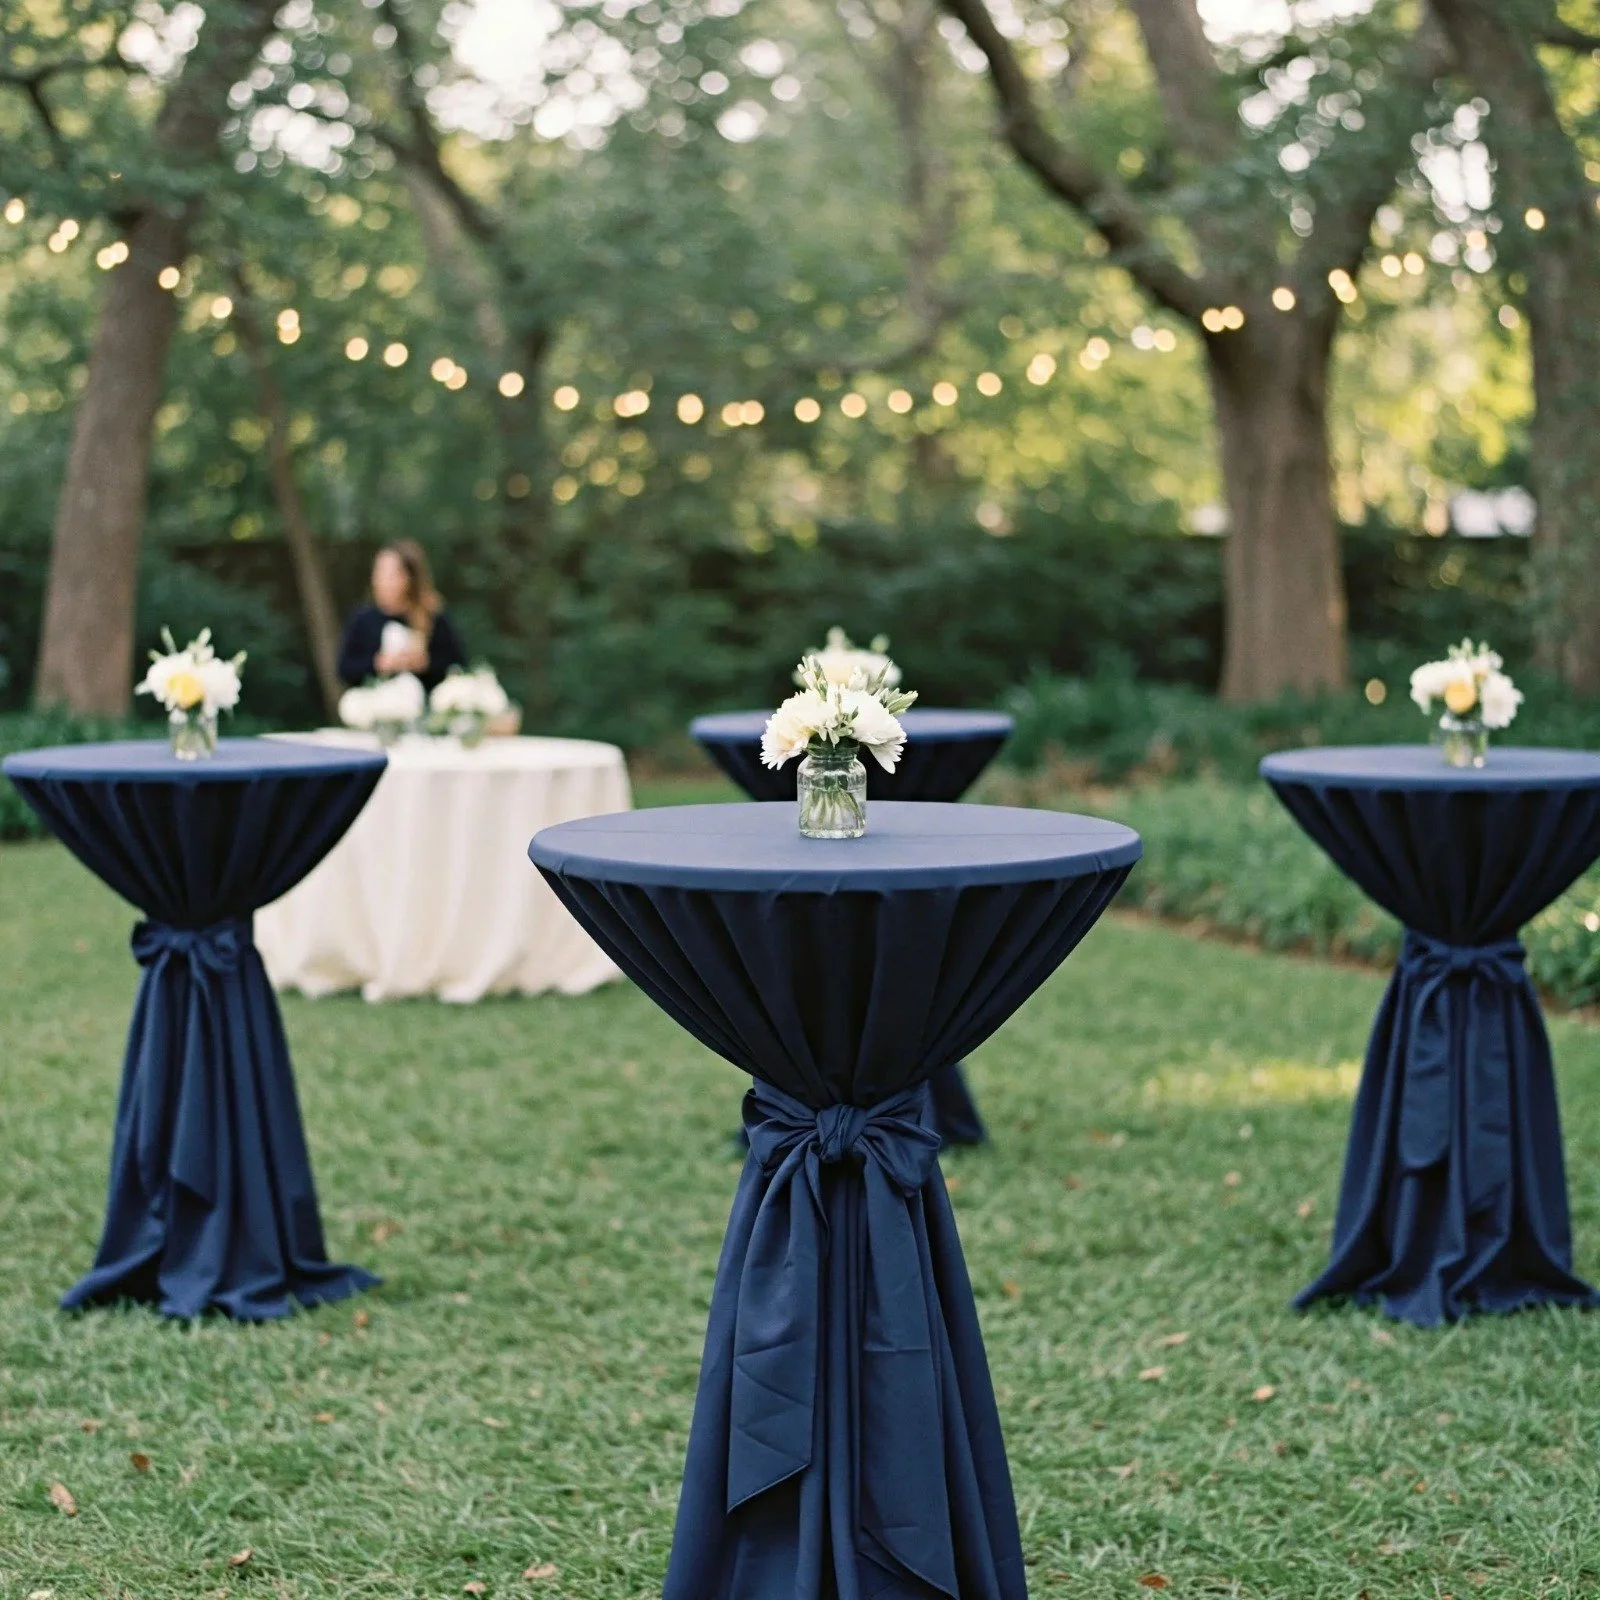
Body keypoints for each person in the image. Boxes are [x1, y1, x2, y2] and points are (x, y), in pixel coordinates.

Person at [337, 541, 467, 693]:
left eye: (392, 574)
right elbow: (345, 669)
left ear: (410, 577)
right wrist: (378, 664)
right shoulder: (363, 619)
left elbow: (458, 664)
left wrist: (424, 664)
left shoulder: (432, 615)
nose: (383, 580)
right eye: (379, 572)